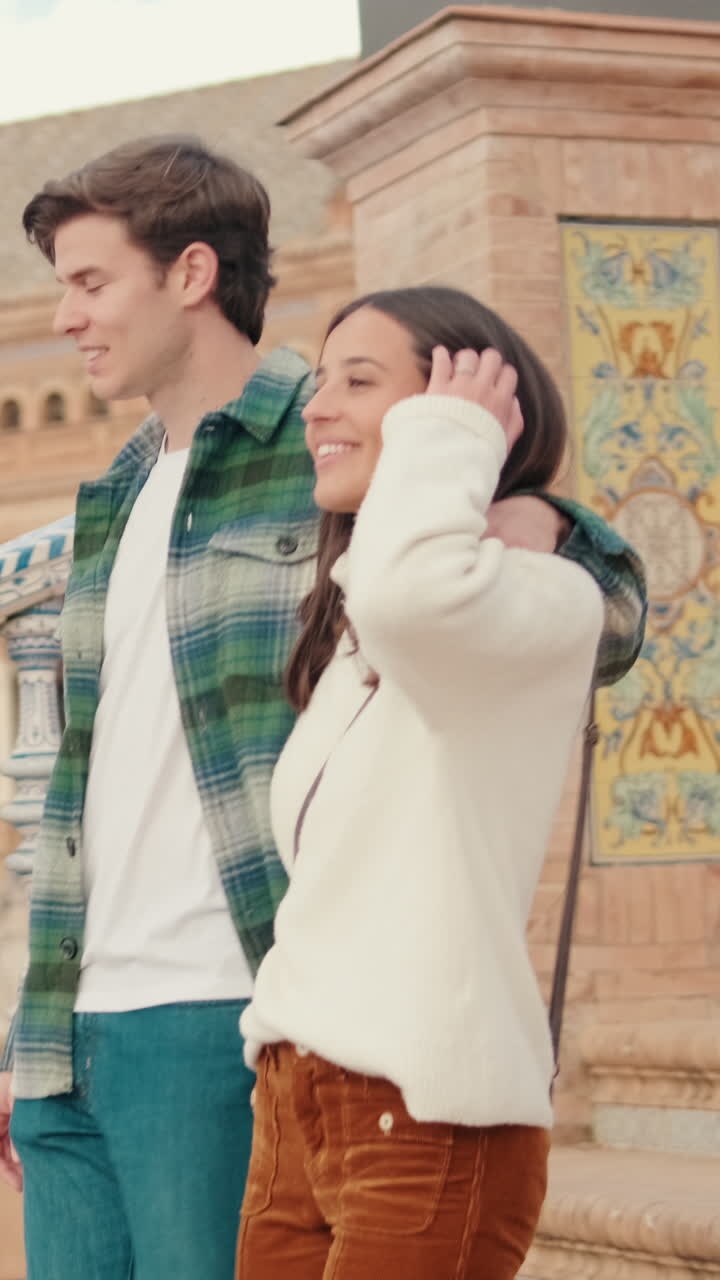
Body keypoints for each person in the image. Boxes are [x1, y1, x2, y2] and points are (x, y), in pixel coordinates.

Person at [0, 137, 644, 1280]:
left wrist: (548, 520)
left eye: (91, 280)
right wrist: (31, 1038)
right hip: (76, 1031)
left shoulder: (336, 440)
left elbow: (600, 605)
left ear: (192, 273)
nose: (66, 316)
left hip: (226, 1004)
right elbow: (84, 776)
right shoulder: (114, 492)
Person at [235, 287, 626, 1280]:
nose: (319, 406)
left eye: (360, 381)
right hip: (296, 1105)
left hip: (427, 1116)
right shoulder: (358, 635)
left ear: (465, 407)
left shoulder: (538, 594)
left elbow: (414, 595)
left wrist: (459, 439)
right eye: (321, 383)